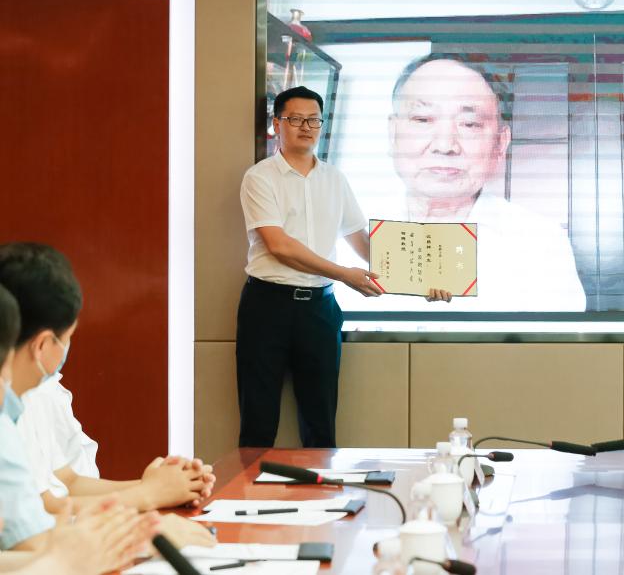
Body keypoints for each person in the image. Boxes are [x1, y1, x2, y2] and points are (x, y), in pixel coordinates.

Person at [238, 86, 451, 448]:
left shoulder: (334, 179)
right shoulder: (259, 177)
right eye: (296, 119)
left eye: (314, 120)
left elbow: (362, 242)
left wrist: (425, 280)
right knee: (258, 422)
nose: (306, 127)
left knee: (321, 422)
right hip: (267, 306)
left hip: (319, 310)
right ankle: (251, 487)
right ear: (276, 124)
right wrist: (343, 274)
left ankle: (321, 486)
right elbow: (279, 246)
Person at [0, 243, 215, 551]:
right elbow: (39, 535)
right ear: (43, 344)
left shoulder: (34, 396)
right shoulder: (9, 414)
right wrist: (145, 509)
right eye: (68, 339)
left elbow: (62, 487)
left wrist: (163, 487)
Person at [336, 54, 586, 311]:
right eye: (422, 119)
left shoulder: (540, 244)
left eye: (469, 124)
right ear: (393, 133)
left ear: (500, 143)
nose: (445, 145)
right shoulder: (340, 233)